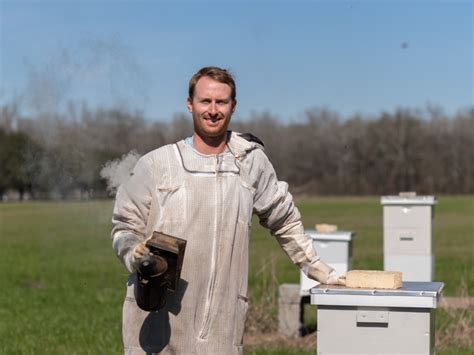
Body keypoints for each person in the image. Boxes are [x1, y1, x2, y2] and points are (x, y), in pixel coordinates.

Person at [111, 66, 344, 354]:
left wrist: (315, 266)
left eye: (221, 102)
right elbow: (124, 227)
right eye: (204, 101)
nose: (212, 110)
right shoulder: (156, 164)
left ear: (233, 106)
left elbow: (283, 220)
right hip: (159, 318)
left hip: (222, 321)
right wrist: (133, 251)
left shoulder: (249, 162)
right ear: (189, 104)